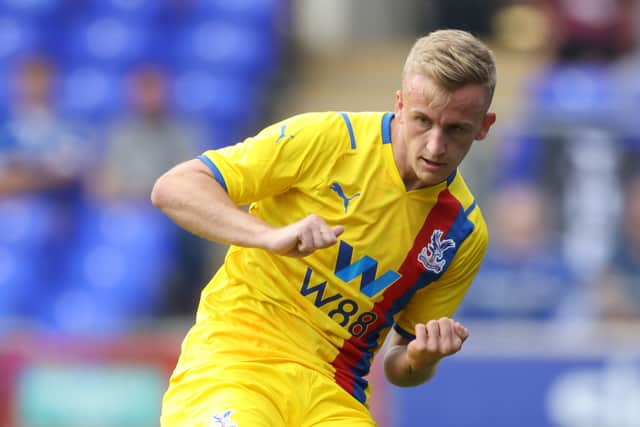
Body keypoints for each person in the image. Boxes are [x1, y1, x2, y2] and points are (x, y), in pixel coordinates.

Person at [152, 29, 497, 427]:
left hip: (334, 394)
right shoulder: (329, 140)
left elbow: (400, 366)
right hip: (236, 363)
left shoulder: (462, 233)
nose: (435, 146)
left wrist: (424, 357)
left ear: (483, 126)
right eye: (423, 121)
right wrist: (268, 235)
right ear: (400, 106)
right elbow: (174, 188)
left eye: (455, 129)